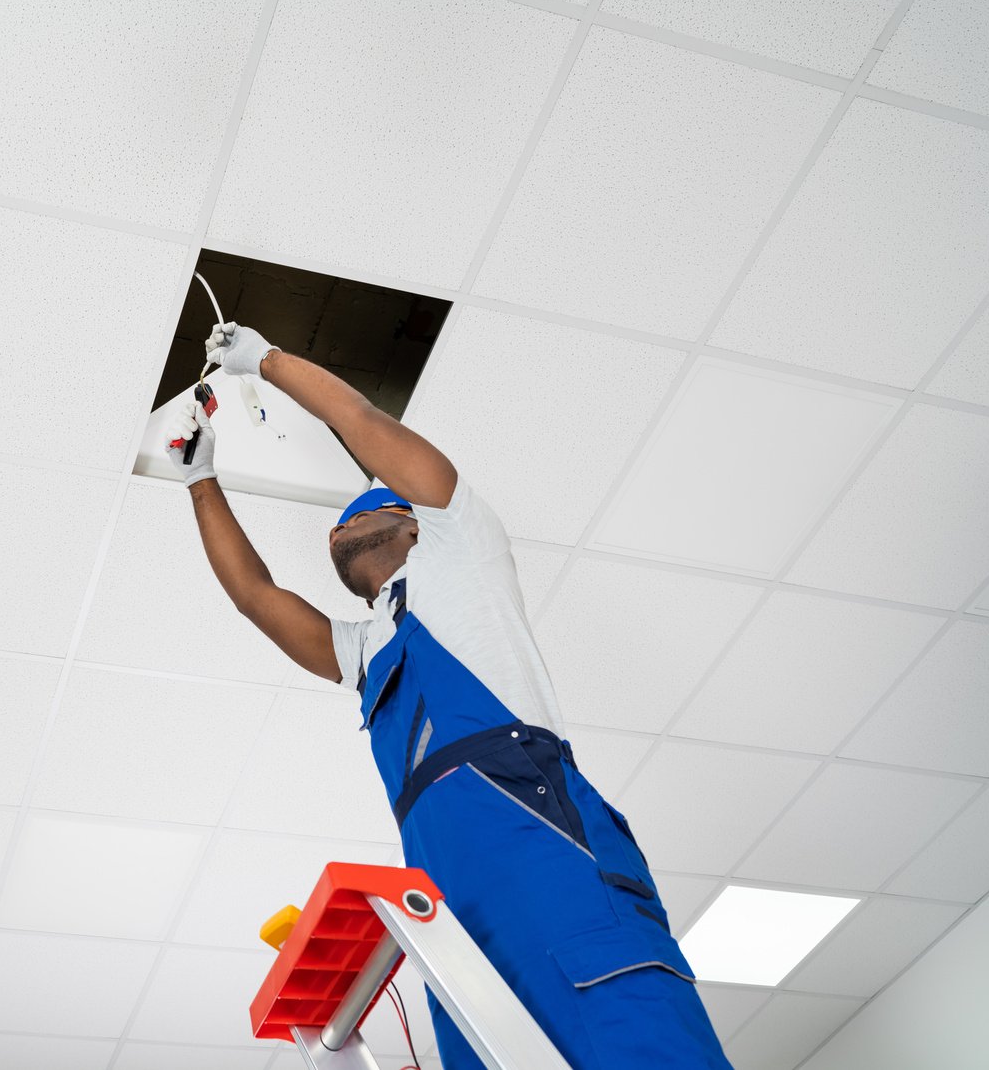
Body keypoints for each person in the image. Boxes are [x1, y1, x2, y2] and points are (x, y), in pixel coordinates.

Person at [167, 322, 732, 1070]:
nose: (345, 525)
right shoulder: (364, 650)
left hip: (547, 850)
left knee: (631, 1034)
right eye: (337, 529)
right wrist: (199, 477)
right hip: (456, 912)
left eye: (367, 507)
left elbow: (361, 424)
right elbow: (254, 594)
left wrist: (265, 363)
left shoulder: (464, 548)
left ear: (412, 519)